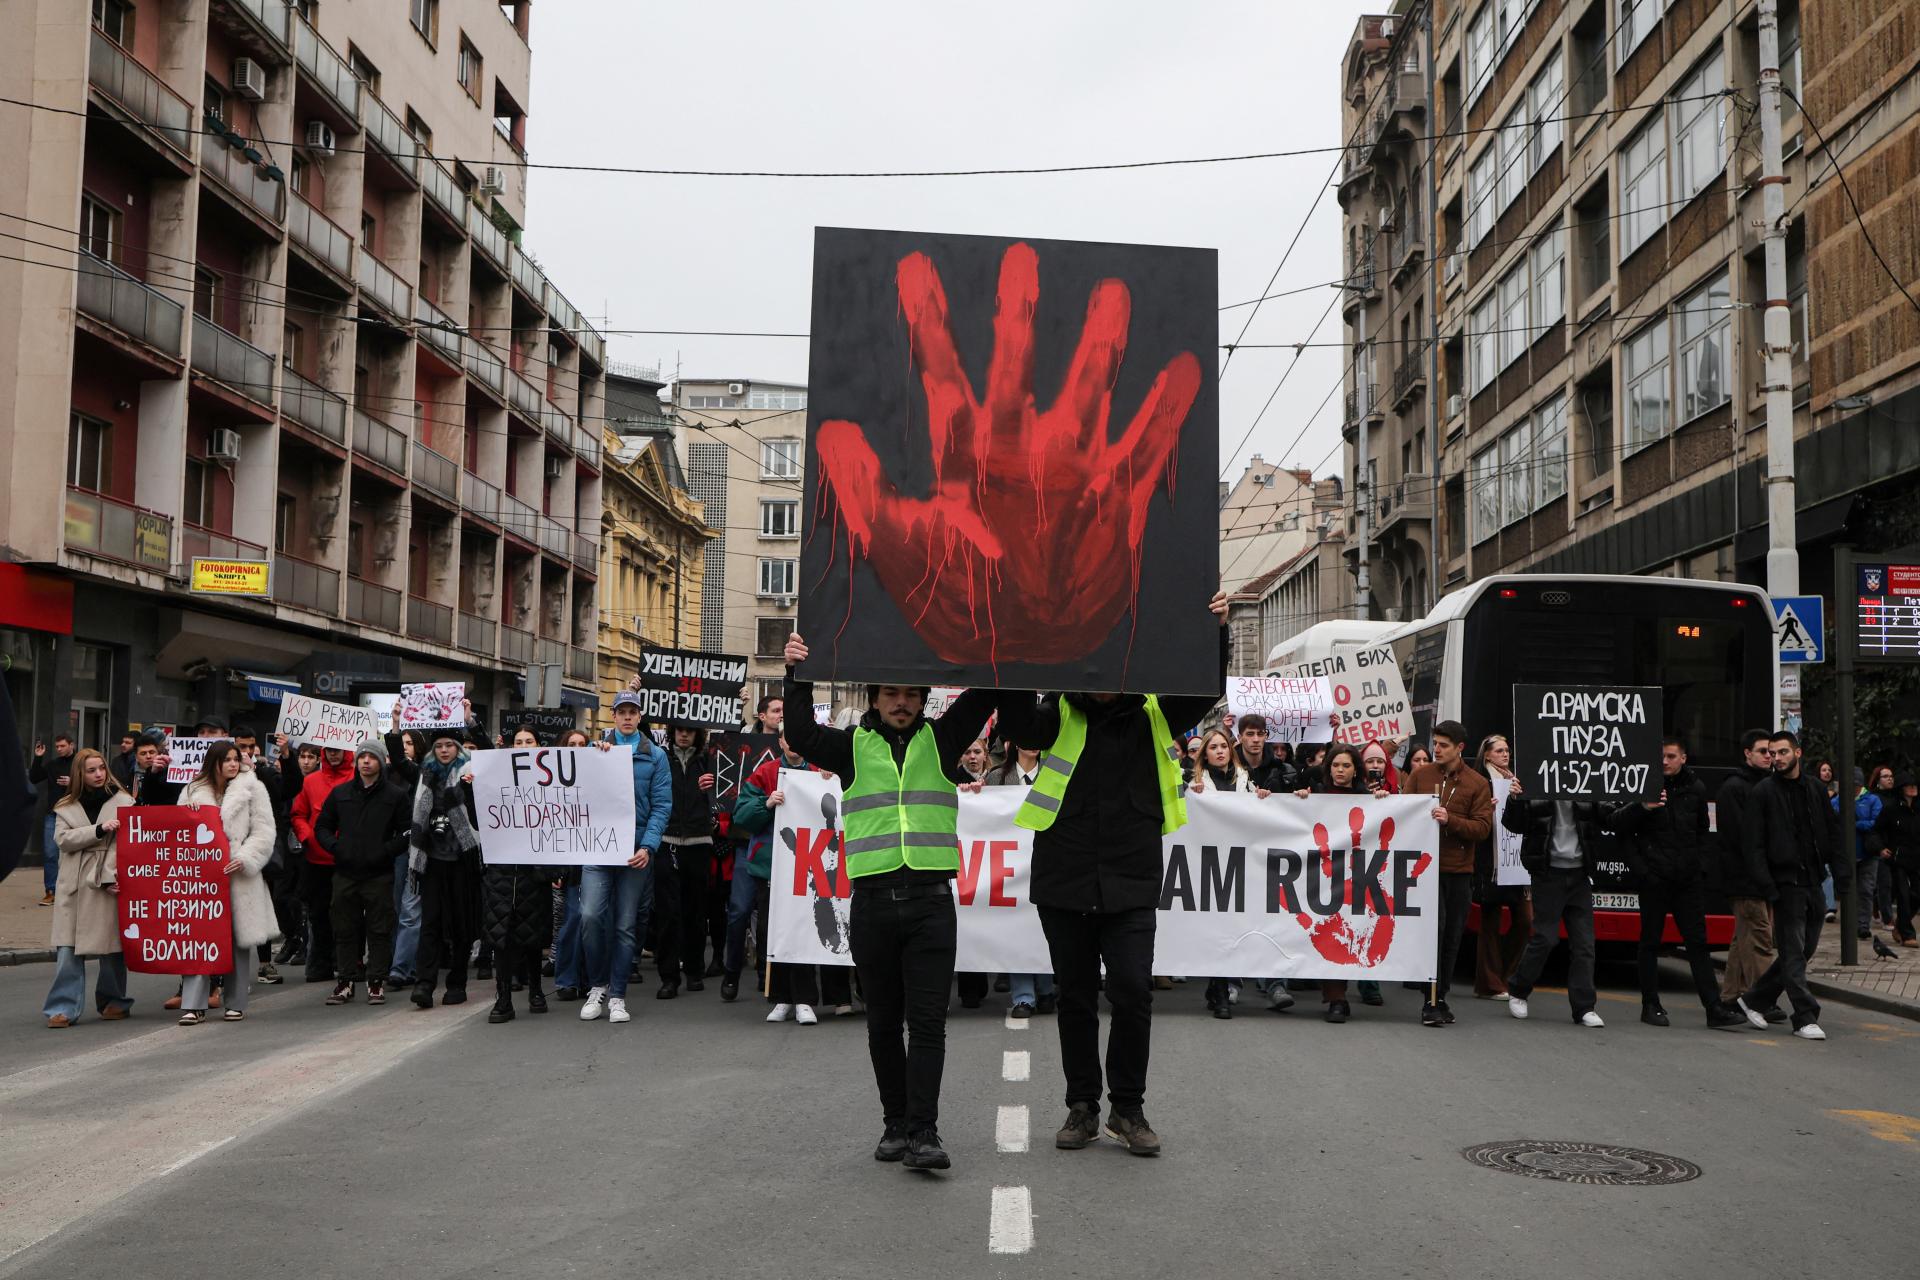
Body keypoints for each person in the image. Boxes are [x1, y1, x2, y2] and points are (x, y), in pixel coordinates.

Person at [1003, 593, 1229, 1159]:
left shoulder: (1153, 710)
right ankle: (1082, 1107)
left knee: (1131, 992)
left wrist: (1216, 631)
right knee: (1076, 998)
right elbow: (1014, 721)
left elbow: (1206, 687)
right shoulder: (1058, 711)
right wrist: (1004, 651)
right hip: (1065, 879)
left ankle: (1128, 1109)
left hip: (1130, 881)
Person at [782, 632, 1007, 1172]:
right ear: (875, 698)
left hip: (932, 904)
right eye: (891, 694)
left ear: (923, 697)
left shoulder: (945, 737)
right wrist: (797, 672)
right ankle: (895, 1125)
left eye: (910, 693)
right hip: (874, 905)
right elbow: (799, 732)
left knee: (928, 1022)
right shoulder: (852, 747)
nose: (901, 702)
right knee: (883, 1021)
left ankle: (924, 1132)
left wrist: (997, 632)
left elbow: (986, 689)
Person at [1605, 738, 1749, 1030]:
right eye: (1661, 757)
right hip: (1654, 878)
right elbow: (1617, 825)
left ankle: (1713, 1008)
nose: (1665, 762)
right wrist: (1643, 867)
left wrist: (1700, 868)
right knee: (1650, 942)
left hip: (1687, 879)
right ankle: (1651, 1005)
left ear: (1683, 758)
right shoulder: (1643, 786)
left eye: (1671, 756)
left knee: (1698, 943)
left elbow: (1702, 831)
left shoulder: (1695, 789)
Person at [1736, 731, 1849, 1040]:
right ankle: (1804, 1016)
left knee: (1803, 950)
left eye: (1783, 751)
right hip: (1784, 884)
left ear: (1798, 753)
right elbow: (1753, 845)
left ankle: (1754, 998)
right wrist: (1767, 887)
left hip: (1813, 880)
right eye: (1773, 753)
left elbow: (1833, 832)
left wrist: (1842, 874)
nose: (1777, 757)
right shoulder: (1763, 793)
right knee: (1793, 952)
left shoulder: (1815, 789)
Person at [579, 690, 673, 1025]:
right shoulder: (595, 750)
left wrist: (647, 847)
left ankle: (617, 995)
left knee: (624, 925)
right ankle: (597, 986)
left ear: (640, 715)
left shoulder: (656, 756)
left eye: (633, 711)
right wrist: (597, 755)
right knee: (590, 917)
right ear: (613, 716)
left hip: (634, 851)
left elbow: (662, 806)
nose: (628, 717)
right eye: (622, 712)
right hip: (597, 848)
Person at [175, 741, 280, 1025]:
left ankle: (235, 1002)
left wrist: (245, 858)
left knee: (237, 939)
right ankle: (194, 1003)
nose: (233, 764)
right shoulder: (193, 790)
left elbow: (264, 830)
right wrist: (189, 812)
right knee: (198, 938)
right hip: (200, 877)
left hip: (237, 874)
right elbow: (176, 833)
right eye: (227, 760)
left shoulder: (253, 788)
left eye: (236, 759)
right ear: (215, 762)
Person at [729, 730, 825, 1024]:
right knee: (773, 932)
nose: (793, 743)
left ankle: (805, 1000)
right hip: (772, 867)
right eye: (787, 738)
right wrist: (766, 804)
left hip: (809, 866)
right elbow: (741, 816)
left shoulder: (820, 774)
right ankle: (782, 998)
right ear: (781, 742)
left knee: (805, 930)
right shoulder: (766, 773)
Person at [1403, 721, 1493, 1027]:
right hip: (1424, 869)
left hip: (1457, 870)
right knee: (1433, 932)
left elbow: (1482, 829)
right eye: (1435, 743)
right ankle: (1430, 1000)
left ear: (1460, 748)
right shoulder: (1420, 775)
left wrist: (1450, 819)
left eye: (1443, 745)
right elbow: (1401, 815)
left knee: (1453, 934)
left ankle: (1440, 995)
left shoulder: (1477, 783)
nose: (1436, 749)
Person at [1294, 743, 1392, 1023]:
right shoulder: (1318, 794)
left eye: (1346, 766)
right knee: (1329, 929)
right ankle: (1336, 997)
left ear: (1355, 769)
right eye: (1335, 765)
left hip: (1355, 876)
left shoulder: (1366, 796)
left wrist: (1384, 801)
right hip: (1322, 875)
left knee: (1353, 928)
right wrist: (1300, 799)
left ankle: (1341, 993)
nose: (1340, 770)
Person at [1500, 773, 1607, 1027]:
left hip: (1579, 874)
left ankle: (1584, 1007)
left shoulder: (1587, 783)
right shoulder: (1537, 782)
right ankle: (1519, 989)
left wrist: (1642, 805)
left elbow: (1610, 816)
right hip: (1548, 874)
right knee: (1545, 938)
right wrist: (1515, 798)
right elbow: (1513, 825)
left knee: (1584, 944)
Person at [311, 740, 410, 1007]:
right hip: (345, 872)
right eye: (362, 757)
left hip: (379, 873)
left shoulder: (395, 795)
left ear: (381, 762)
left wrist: (386, 851)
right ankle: (345, 981)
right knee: (344, 928)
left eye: (372, 757)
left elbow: (407, 831)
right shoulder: (341, 793)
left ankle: (376, 981)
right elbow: (322, 826)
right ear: (355, 761)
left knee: (379, 929)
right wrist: (336, 848)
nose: (366, 761)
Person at [42, 750, 134, 1028]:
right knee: (67, 949)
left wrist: (109, 876)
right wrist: (99, 830)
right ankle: (62, 1008)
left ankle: (114, 1001)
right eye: (91, 770)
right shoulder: (65, 804)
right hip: (73, 882)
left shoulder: (124, 802)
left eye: (101, 768)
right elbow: (62, 839)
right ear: (79, 774)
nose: (98, 774)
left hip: (105, 881)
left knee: (111, 947)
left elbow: (126, 845)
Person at [476, 729, 552, 1024]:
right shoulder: (496, 777)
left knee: (531, 936)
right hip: (502, 871)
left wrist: (554, 869)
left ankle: (535, 990)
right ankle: (503, 998)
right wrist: (471, 788)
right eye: (518, 743)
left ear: (539, 746)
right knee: (501, 938)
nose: (523, 746)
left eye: (529, 742)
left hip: (535, 871)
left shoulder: (550, 781)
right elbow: (477, 815)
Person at [407, 725, 484, 1009]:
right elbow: (398, 758)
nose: (444, 750)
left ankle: (457, 982)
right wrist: (394, 726)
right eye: (439, 745)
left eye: (449, 745)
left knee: (462, 925)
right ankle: (424, 984)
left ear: (458, 748)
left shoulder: (471, 772)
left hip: (463, 859)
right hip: (432, 860)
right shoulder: (424, 774)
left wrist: (469, 787)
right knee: (431, 923)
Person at [984, 743, 1056, 1018]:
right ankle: (1024, 996)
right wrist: (972, 792)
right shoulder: (996, 777)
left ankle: (1046, 989)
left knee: (1044, 929)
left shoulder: (1055, 774)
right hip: (1010, 865)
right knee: (1017, 929)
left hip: (1047, 862)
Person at [1187, 728, 1253, 1020]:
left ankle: (1220, 988)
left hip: (1239, 865)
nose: (1219, 751)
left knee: (1230, 928)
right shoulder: (1196, 783)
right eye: (1212, 747)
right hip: (1208, 866)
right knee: (1215, 929)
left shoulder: (1246, 781)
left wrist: (1263, 797)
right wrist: (1192, 794)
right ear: (1205, 754)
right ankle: (1220, 989)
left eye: (1223, 746)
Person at [1716, 729, 1778, 1003]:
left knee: (1744, 939)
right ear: (1747, 753)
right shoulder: (1734, 788)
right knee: (1761, 940)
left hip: (1762, 877)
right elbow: (1742, 836)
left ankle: (1731, 995)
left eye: (1772, 752)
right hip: (1745, 877)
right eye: (1764, 751)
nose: (1769, 757)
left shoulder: (1768, 785)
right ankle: (1763, 998)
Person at [658, 722, 717, 998]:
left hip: (699, 842)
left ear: (697, 734)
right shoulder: (661, 757)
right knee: (668, 913)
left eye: (689, 730)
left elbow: (734, 771)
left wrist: (712, 787)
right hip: (667, 841)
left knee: (696, 911)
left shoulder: (710, 760)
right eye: (679, 730)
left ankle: (694, 970)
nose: (683, 734)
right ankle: (669, 977)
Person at [1470, 734, 1529, 1002]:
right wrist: (1485, 811)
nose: (1506, 754)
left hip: (1517, 862)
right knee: (1490, 922)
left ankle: (1508, 976)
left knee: (1526, 920)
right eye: (1500, 751)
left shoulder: (1515, 780)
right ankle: (1490, 983)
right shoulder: (1481, 783)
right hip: (1490, 860)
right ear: (1487, 756)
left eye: (1508, 750)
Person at [290, 746, 355, 982]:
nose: (333, 755)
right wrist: (307, 836)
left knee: (349, 913)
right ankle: (321, 963)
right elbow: (298, 814)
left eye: (338, 750)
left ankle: (347, 961)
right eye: (329, 750)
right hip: (317, 858)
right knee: (318, 914)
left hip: (348, 857)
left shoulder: (357, 778)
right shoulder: (311, 781)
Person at [550, 727, 593, 999]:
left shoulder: (596, 778)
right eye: (572, 744)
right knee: (573, 919)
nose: (577, 748)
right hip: (569, 864)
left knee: (591, 921)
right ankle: (567, 979)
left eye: (582, 744)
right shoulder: (553, 784)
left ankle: (588, 978)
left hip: (595, 858)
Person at [29, 734, 77, 906]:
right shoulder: (53, 764)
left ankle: (72, 891)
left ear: (72, 745)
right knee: (50, 853)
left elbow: (94, 783)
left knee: (73, 853)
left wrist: (74, 782)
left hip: (75, 813)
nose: (59, 749)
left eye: (62, 746)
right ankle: (51, 892)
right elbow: (34, 778)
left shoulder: (80, 762)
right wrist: (38, 757)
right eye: (57, 746)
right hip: (53, 813)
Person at [1877, 775, 1920, 948]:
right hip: (1897, 858)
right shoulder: (1891, 809)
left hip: (1917, 858)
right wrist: (1880, 848)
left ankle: (1900, 926)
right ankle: (1907, 934)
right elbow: (1876, 830)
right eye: (1908, 785)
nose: (1912, 788)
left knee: (1917, 895)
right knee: (1902, 894)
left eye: (1914, 785)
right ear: (1902, 789)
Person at [1230, 718, 1291, 795]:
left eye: (1260, 734)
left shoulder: (1283, 770)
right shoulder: (1229, 769)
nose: (1256, 739)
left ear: (1266, 736)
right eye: (1250, 734)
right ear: (1240, 738)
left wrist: (1301, 794)